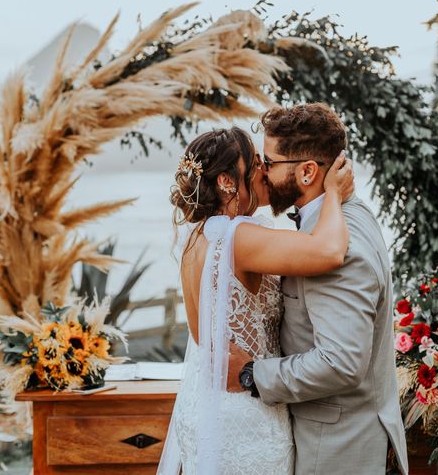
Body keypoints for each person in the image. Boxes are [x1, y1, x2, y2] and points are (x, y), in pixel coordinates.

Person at [157, 125, 354, 474]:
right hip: (245, 414)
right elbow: (329, 251)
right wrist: (333, 194)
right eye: (256, 163)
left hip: (204, 407)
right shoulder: (236, 236)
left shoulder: (195, 236)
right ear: (227, 181)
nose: (265, 170)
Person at [227, 103, 409, 475]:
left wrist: (252, 374)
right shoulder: (347, 213)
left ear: (308, 171)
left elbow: (340, 362)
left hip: (338, 449)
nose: (261, 170)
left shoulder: (338, 250)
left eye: (269, 162)